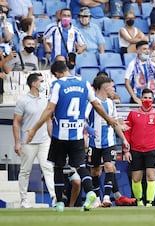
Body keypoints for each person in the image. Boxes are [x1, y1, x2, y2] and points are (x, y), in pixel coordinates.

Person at [25, 61, 118, 212]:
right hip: (77, 134)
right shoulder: (84, 83)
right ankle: (90, 192)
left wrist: (34, 129)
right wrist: (109, 119)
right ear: (67, 69)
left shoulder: (57, 85)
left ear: (56, 73)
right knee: (80, 166)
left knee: (58, 167)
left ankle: (60, 202)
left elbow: (50, 109)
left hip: (60, 134)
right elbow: (97, 105)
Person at [85, 75, 135, 207]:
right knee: (95, 171)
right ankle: (97, 198)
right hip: (94, 142)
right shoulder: (92, 102)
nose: (113, 89)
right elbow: (83, 119)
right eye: (112, 86)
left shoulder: (111, 103)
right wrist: (88, 129)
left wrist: (124, 139)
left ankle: (107, 197)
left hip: (109, 141)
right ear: (105, 87)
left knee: (109, 166)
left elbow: (115, 123)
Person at [12, 73, 55, 208]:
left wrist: (52, 138)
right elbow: (16, 123)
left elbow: (48, 121)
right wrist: (17, 142)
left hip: (44, 141)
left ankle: (54, 197)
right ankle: (24, 200)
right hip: (28, 142)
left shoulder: (45, 100)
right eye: (41, 81)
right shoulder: (23, 101)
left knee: (48, 168)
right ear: (34, 84)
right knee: (25, 170)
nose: (43, 84)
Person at [123, 88, 155, 207]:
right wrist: (126, 150)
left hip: (152, 150)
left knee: (151, 176)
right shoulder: (132, 114)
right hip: (136, 150)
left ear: (152, 100)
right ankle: (138, 201)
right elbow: (126, 133)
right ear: (141, 99)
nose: (147, 100)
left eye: (149, 98)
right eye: (145, 97)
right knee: (136, 178)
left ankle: (149, 203)